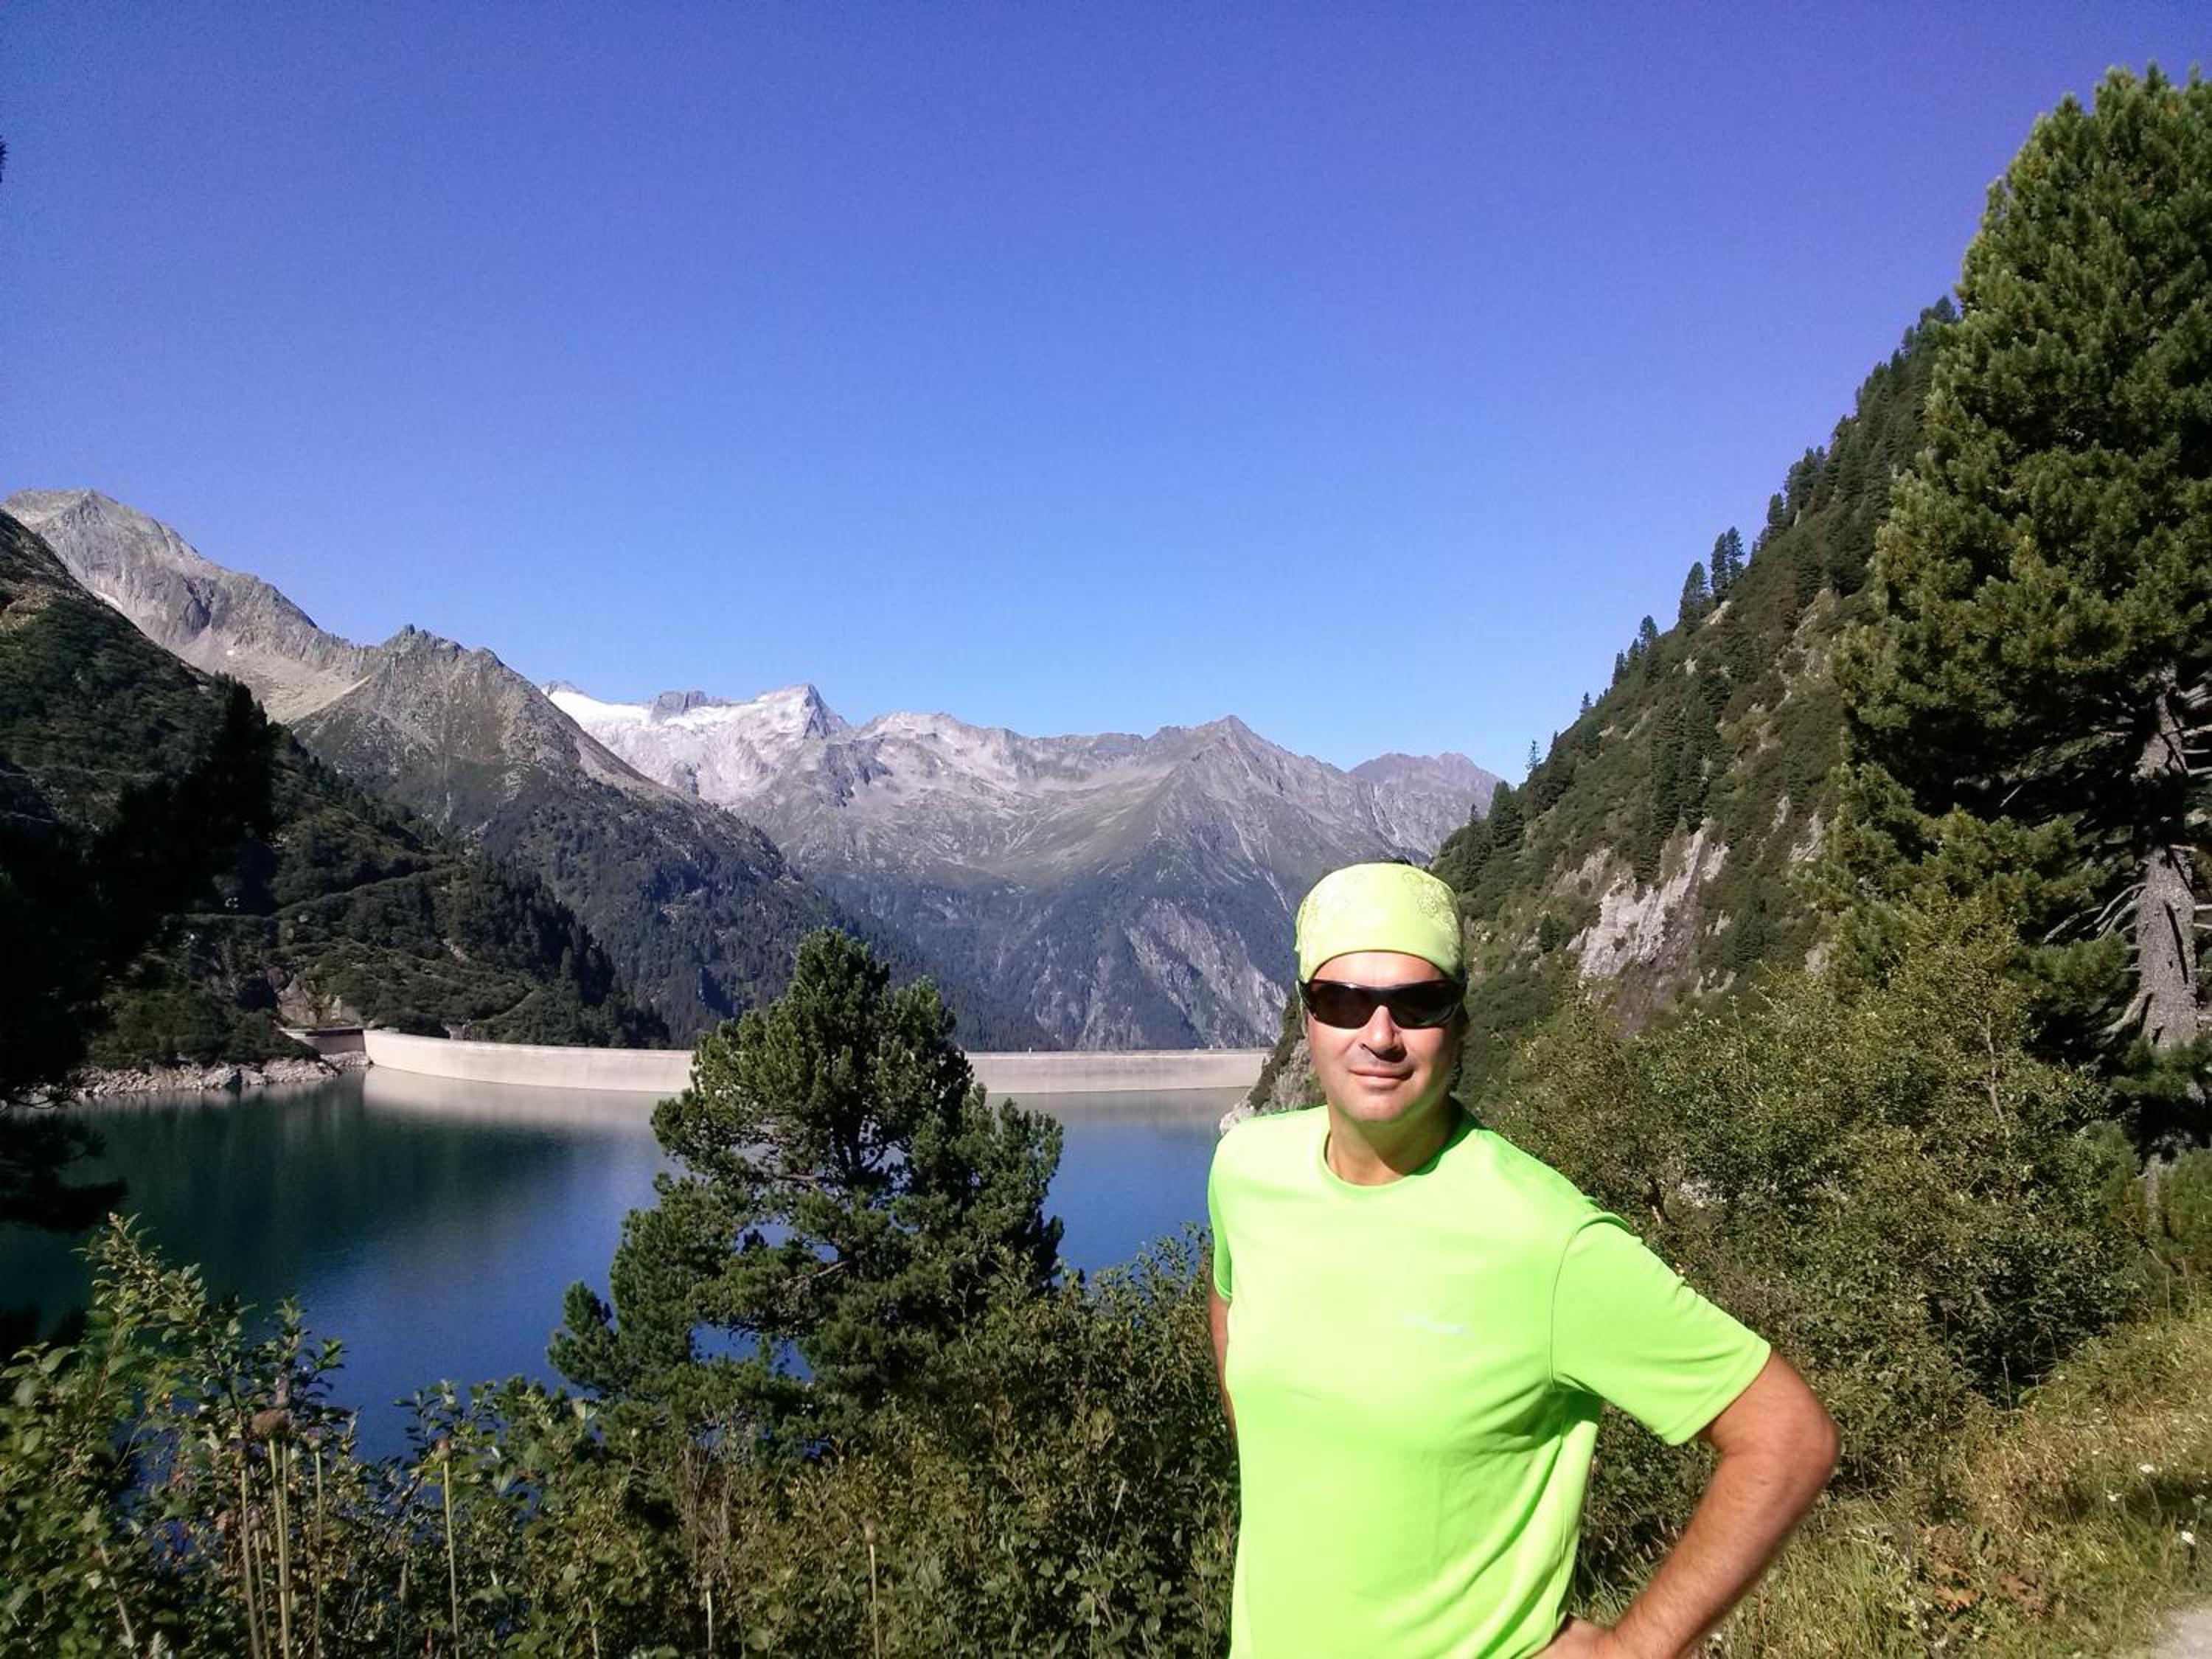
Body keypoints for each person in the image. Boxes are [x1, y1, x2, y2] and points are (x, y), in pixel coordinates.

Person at [1206, 862, 1836, 1658]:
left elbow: (1787, 1434)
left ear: (1460, 1026)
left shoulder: (1547, 1241)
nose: (1380, 1035)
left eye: (1419, 1004)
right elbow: (1230, 1299)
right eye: (1344, 1002)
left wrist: (1632, 1649)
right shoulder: (1248, 1169)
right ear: (1307, 1019)